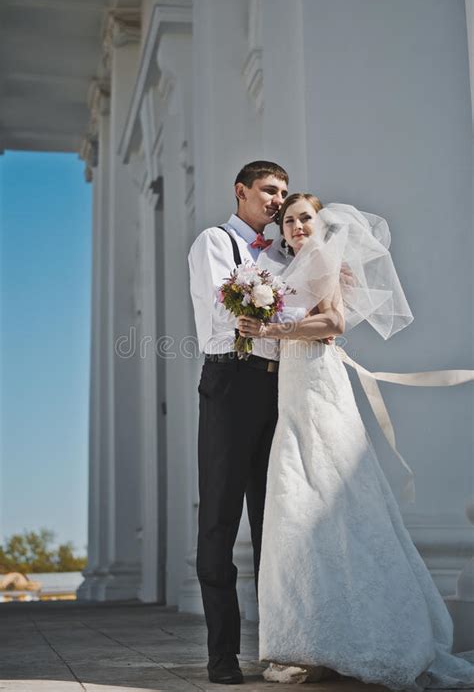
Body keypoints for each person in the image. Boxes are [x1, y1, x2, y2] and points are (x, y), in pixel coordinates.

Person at [237, 193, 474, 690]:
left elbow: (335, 322)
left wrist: (270, 326)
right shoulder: (298, 263)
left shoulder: (322, 257)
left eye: (306, 218)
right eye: (290, 220)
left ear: (320, 223)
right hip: (296, 387)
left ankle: (356, 637)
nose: (297, 225)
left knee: (324, 495)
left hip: (318, 384)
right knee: (300, 504)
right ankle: (319, 640)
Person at [188, 160, 304, 684]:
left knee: (274, 523)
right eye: (268, 191)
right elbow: (223, 313)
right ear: (242, 191)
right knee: (219, 517)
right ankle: (222, 656)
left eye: (282, 192)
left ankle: (279, 647)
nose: (277, 201)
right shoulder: (214, 243)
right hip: (230, 381)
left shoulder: (286, 253)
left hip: (280, 386)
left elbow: (304, 310)